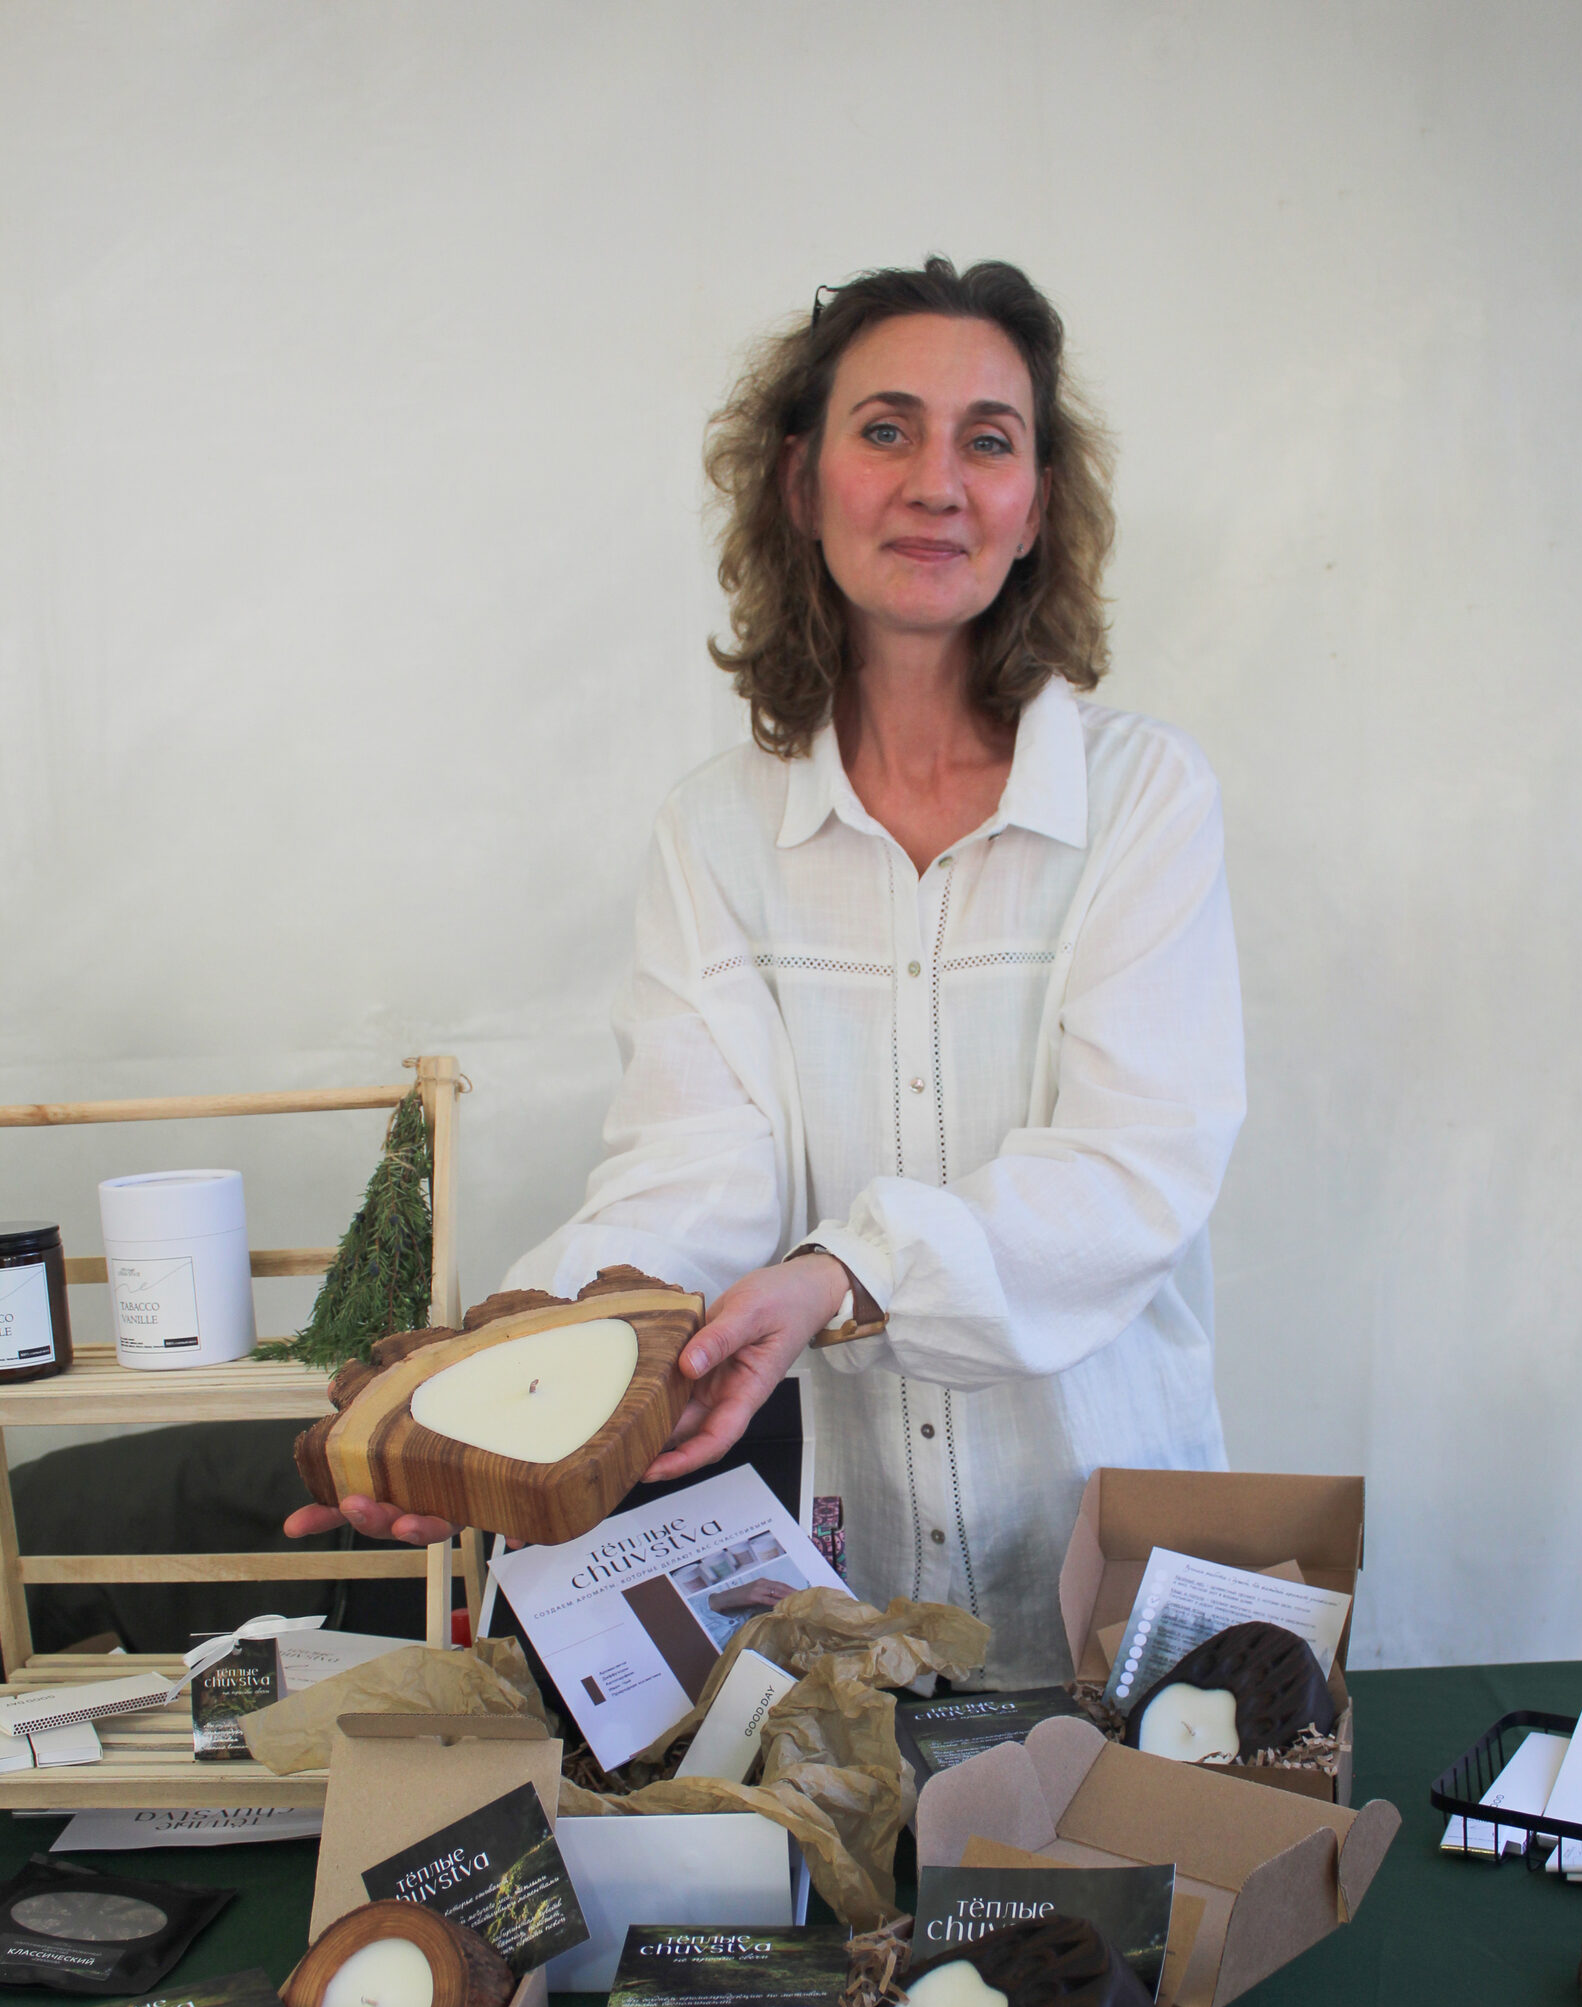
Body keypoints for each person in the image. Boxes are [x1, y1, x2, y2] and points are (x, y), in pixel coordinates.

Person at [288, 257, 1245, 1686]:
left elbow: (1130, 1172)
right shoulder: (714, 833)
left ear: (1038, 503)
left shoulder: (1145, 797)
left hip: (1117, 1558)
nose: (937, 482)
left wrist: (840, 1274)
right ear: (800, 481)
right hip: (856, 1587)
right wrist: (497, 1392)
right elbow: (695, 1173)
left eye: (988, 440)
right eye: (886, 429)